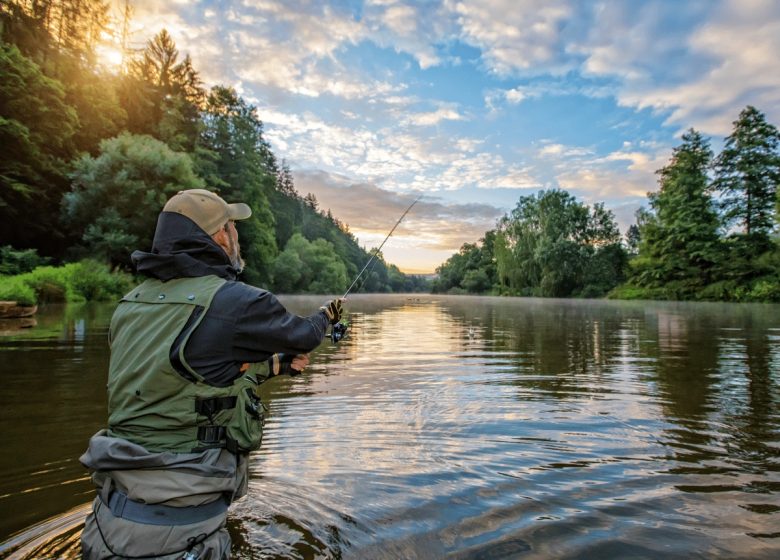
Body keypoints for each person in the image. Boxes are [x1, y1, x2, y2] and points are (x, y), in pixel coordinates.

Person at [80, 189, 343, 559]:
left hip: (105, 525)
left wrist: (277, 365)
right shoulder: (237, 302)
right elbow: (304, 335)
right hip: (178, 538)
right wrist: (326, 315)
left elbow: (183, 375)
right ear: (220, 235)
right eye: (233, 227)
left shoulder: (130, 304)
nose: (237, 236)